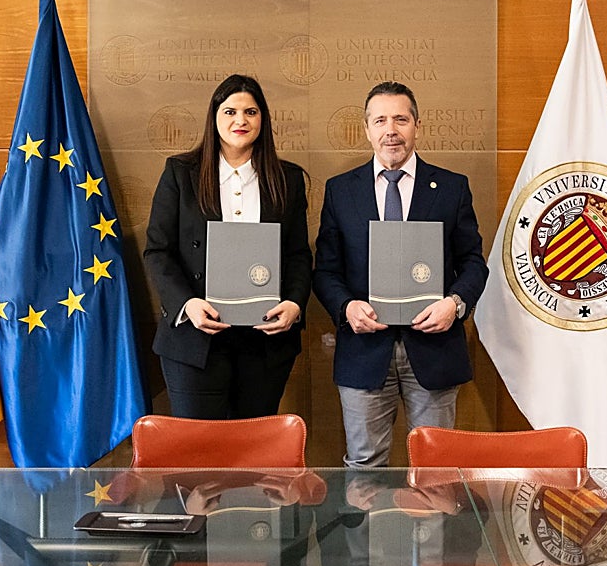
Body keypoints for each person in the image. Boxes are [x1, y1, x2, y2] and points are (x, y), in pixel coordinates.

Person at [313, 81, 488, 467]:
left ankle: (435, 530)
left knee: (436, 467)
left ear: (416, 125)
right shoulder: (341, 190)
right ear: (367, 129)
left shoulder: (452, 188)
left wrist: (454, 305)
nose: (390, 129)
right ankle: (361, 533)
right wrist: (345, 308)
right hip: (363, 352)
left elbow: (474, 263)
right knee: (364, 467)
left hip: (434, 350)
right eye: (380, 120)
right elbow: (325, 270)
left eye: (400, 119)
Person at [144, 74, 311, 419]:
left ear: (263, 119)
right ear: (214, 117)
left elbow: (297, 255)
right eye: (230, 111)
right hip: (194, 339)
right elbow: (158, 251)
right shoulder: (180, 172)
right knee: (200, 458)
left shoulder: (287, 178)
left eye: (251, 112)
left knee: (254, 456)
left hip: (264, 342)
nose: (240, 120)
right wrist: (186, 304)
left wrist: (294, 304)